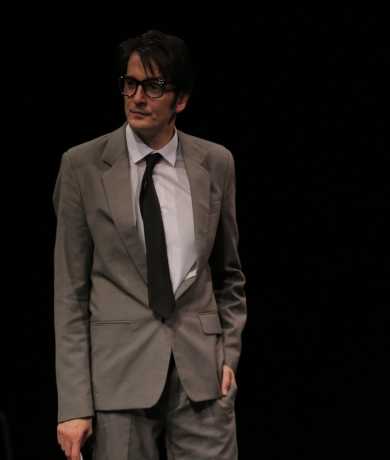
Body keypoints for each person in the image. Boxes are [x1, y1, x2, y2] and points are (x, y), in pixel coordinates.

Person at [53, 30, 247, 460]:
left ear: (181, 99)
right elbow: (70, 293)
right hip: (118, 379)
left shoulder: (215, 163)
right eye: (131, 83)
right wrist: (74, 405)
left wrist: (228, 354)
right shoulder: (83, 166)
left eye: (154, 86)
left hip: (201, 376)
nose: (138, 97)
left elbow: (228, 274)